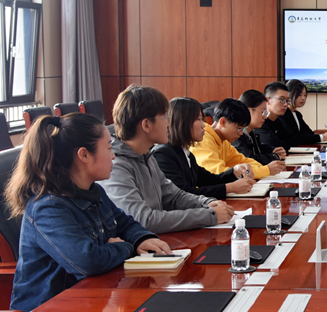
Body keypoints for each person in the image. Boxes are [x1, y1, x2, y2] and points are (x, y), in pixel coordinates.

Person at [6, 113, 172, 312]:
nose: (113, 156)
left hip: (87, 303)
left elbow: (125, 223)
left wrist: (141, 239)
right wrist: (126, 247)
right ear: (84, 155)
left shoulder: (94, 191)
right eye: (109, 149)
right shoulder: (48, 208)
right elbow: (88, 261)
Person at [99, 84, 232, 233]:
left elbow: (174, 196)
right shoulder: (115, 166)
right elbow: (144, 220)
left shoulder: (146, 156)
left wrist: (207, 203)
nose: (169, 123)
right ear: (146, 125)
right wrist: (209, 215)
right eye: (165, 117)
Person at [152, 97, 256, 199]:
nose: (204, 125)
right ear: (183, 122)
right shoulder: (163, 154)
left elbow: (209, 180)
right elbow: (184, 194)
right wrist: (229, 188)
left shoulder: (185, 152)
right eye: (199, 119)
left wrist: (234, 172)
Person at [191, 98, 286, 179]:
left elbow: (243, 161)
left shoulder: (223, 141)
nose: (241, 133)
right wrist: (266, 170)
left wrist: (264, 168)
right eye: (239, 128)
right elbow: (218, 173)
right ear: (223, 122)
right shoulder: (203, 138)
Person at [233, 89, 286, 164]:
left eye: (266, 113)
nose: (265, 117)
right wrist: (274, 156)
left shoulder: (251, 132)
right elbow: (249, 160)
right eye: (262, 112)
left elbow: (258, 149)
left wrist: (272, 150)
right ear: (248, 111)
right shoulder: (235, 134)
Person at [282, 79, 327, 145]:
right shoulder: (283, 114)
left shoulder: (297, 114)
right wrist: (321, 137)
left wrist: (321, 137)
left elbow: (309, 133)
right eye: (299, 95)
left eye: (305, 95)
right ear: (289, 95)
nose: (303, 98)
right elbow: (294, 138)